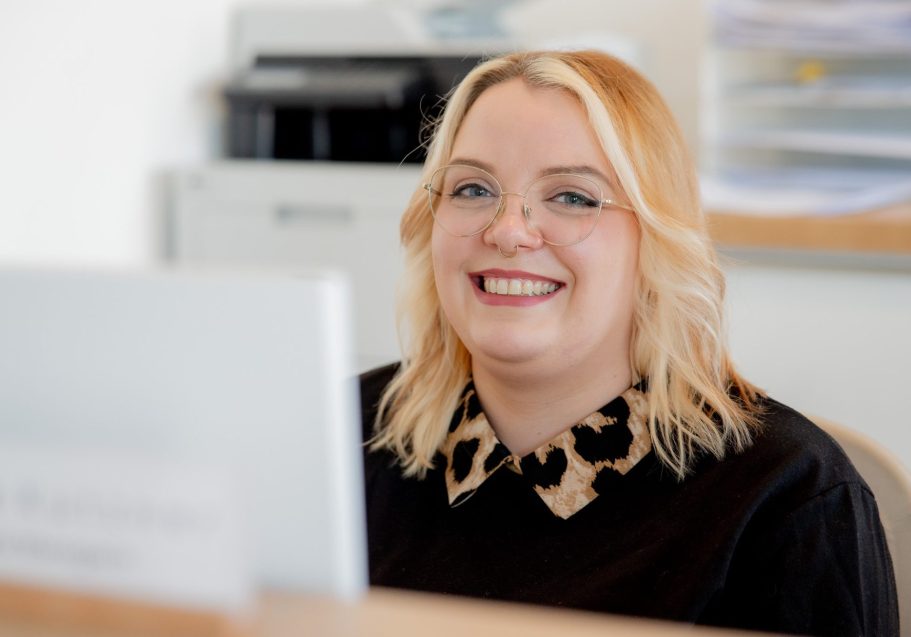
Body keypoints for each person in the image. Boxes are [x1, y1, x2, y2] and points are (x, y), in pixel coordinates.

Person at [359, 49, 899, 636]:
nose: (507, 230)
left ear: (656, 242)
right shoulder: (336, 434)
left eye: (572, 197)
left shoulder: (787, 498)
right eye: (472, 188)